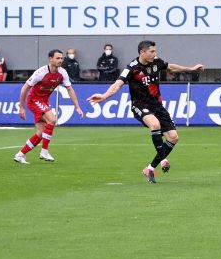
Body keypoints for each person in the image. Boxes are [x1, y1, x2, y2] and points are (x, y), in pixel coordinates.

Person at [87, 40, 204, 183]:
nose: (155, 54)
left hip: (157, 105)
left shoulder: (156, 62)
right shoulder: (132, 68)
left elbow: (170, 68)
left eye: (155, 51)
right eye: (152, 51)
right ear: (142, 52)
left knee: (173, 137)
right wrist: (104, 96)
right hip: (140, 105)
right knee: (155, 125)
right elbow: (118, 84)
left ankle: (150, 168)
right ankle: (163, 158)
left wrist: (191, 69)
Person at [13, 49, 84, 165]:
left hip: (44, 102)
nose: (60, 60)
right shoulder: (40, 72)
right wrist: (21, 107)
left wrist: (77, 107)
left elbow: (70, 89)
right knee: (52, 119)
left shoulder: (63, 73)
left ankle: (20, 154)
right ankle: (44, 151)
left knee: (41, 133)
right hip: (34, 100)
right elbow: (25, 88)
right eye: (57, 58)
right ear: (50, 59)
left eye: (61, 58)